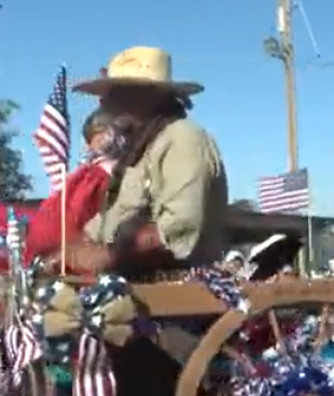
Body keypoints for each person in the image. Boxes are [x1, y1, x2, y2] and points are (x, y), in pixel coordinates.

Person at [51, 46, 229, 274]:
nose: (106, 104)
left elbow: (177, 231)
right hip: (134, 281)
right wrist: (66, 254)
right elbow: (104, 226)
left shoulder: (182, 139)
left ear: (150, 96)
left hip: (179, 288)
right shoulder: (138, 151)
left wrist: (107, 255)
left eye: (116, 94)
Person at [24, 109, 130, 266]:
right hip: (64, 259)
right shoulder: (100, 178)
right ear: (113, 136)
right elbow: (79, 217)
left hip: (42, 257)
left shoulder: (82, 177)